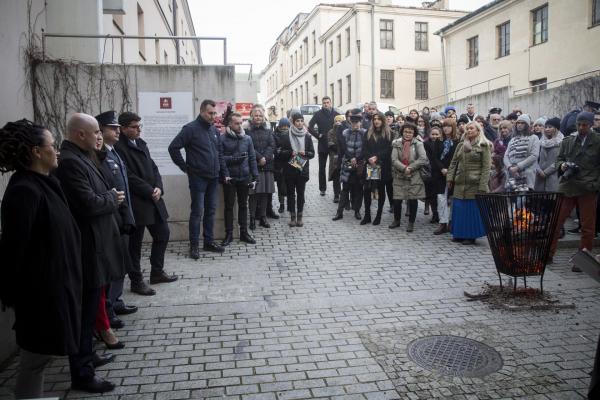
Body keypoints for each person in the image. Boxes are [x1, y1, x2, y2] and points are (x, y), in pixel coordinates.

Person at [0, 120, 82, 399]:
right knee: (34, 360)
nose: (57, 151)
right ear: (36, 151)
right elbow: (15, 250)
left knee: (40, 358)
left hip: (58, 287)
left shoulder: (46, 183)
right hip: (42, 295)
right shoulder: (24, 190)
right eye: (52, 145)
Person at [55, 113, 125, 393]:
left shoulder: (84, 157)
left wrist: (108, 196)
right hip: (87, 250)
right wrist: (112, 198)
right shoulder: (71, 163)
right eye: (95, 131)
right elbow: (88, 202)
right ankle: (82, 372)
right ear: (80, 134)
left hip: (96, 247)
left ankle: (89, 356)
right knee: (84, 315)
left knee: (91, 306)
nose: (100, 136)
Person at [118, 112, 178, 290]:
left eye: (139, 126)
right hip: (138, 202)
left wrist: (159, 187)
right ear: (123, 129)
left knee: (163, 233)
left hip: (154, 199)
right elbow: (127, 176)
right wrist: (149, 190)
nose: (138, 130)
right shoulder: (119, 148)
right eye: (134, 127)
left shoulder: (141, 143)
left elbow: (153, 167)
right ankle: (136, 281)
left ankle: (157, 272)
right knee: (134, 244)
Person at [95, 111, 138, 330]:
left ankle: (117, 300)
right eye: (113, 128)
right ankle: (109, 308)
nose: (118, 131)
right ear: (100, 130)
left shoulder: (113, 152)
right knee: (114, 266)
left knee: (121, 263)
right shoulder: (99, 155)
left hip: (123, 215)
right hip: (114, 217)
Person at [168, 100, 225, 259]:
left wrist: (221, 171)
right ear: (201, 112)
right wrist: (185, 168)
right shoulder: (190, 129)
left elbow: (219, 153)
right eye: (210, 113)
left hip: (213, 178)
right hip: (198, 178)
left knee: (211, 211)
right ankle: (194, 245)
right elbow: (173, 148)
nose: (213, 116)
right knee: (197, 212)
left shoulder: (214, 130)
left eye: (215, 113)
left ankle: (208, 241)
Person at [549, 112, 600, 267]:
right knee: (556, 222)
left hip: (588, 187)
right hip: (568, 185)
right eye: (579, 124)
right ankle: (548, 255)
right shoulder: (568, 141)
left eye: (585, 125)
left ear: (591, 125)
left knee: (588, 227)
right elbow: (559, 159)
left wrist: (596, 184)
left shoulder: (598, 141)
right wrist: (562, 166)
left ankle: (582, 261)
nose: (581, 127)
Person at [446, 121, 491, 245]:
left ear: (478, 131)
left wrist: (483, 185)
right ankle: (459, 234)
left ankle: (470, 236)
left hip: (475, 183)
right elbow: (453, 162)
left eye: (472, 128)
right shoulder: (460, 145)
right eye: (467, 128)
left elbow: (486, 167)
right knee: (459, 209)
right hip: (460, 182)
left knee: (471, 211)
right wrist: (450, 178)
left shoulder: (484, 145)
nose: (469, 130)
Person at [219, 111, 258, 246]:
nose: (239, 125)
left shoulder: (247, 138)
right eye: (236, 123)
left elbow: (252, 158)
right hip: (230, 178)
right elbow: (220, 159)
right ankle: (229, 234)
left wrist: (255, 177)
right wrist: (230, 165)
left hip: (244, 177)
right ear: (230, 123)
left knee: (243, 205)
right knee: (229, 207)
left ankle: (244, 233)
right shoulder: (222, 138)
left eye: (241, 123)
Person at [277, 113, 315, 227]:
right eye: (297, 121)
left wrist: (306, 153)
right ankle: (292, 217)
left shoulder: (307, 136)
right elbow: (279, 153)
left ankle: (300, 217)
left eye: (301, 120)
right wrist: (289, 152)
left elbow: (312, 153)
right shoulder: (285, 136)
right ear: (293, 122)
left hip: (302, 169)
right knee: (290, 194)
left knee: (301, 193)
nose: (299, 123)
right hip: (289, 169)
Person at [389, 122, 427, 232]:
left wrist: (410, 168)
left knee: (413, 200)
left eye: (410, 132)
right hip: (399, 175)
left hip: (414, 175)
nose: (407, 134)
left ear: (414, 133)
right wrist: (404, 168)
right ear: (402, 132)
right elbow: (394, 159)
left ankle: (411, 222)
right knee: (397, 200)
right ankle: (396, 220)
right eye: (405, 131)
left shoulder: (418, 144)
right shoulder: (397, 144)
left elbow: (423, 158)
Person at [246, 104, 276, 229]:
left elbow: (272, 145)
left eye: (260, 116)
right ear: (252, 117)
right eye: (255, 115)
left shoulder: (269, 131)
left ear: (263, 117)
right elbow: (249, 147)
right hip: (254, 167)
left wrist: (266, 158)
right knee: (253, 194)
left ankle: (263, 217)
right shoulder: (247, 132)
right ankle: (252, 218)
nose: (258, 117)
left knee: (264, 193)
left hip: (267, 166)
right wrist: (259, 158)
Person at [333, 108, 366, 221]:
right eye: (353, 122)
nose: (355, 124)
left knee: (358, 188)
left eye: (357, 122)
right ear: (350, 123)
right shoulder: (345, 133)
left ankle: (357, 211)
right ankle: (339, 212)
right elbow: (343, 148)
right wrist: (351, 158)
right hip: (347, 161)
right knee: (345, 188)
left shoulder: (365, 134)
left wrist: (357, 159)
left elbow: (365, 149)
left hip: (360, 163)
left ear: (360, 123)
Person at [362, 112, 393, 226]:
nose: (376, 121)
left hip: (383, 165)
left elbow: (389, 149)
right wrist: (369, 158)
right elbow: (364, 148)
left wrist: (377, 157)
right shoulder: (368, 132)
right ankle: (367, 215)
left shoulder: (389, 133)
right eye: (375, 119)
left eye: (379, 119)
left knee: (381, 190)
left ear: (383, 120)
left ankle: (379, 215)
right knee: (367, 189)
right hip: (371, 166)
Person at [308, 96, 339, 196]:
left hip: (333, 145)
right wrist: (318, 136)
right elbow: (310, 127)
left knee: (335, 168)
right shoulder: (318, 114)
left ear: (331, 103)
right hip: (322, 145)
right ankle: (322, 189)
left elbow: (342, 127)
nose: (326, 104)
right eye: (324, 103)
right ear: (322, 104)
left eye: (327, 102)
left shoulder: (336, 114)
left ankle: (336, 192)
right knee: (322, 168)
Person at [433, 119, 460, 235]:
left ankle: (451, 222)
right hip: (440, 173)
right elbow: (435, 157)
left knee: (453, 198)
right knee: (441, 198)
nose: (446, 128)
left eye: (448, 126)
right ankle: (442, 222)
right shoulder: (439, 141)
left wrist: (450, 170)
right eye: (444, 126)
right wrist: (442, 168)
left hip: (453, 172)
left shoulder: (458, 141)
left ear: (453, 127)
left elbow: (458, 158)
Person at [503, 114, 540, 190]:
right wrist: (510, 167)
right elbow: (506, 156)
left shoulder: (534, 138)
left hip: (526, 175)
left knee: (525, 200)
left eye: (522, 123)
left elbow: (534, 156)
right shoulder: (513, 139)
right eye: (518, 123)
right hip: (512, 175)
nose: (519, 125)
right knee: (512, 200)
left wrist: (518, 167)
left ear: (527, 125)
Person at [534, 117, 563, 192]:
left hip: (553, 177)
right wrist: (538, 170)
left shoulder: (562, 142)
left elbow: (560, 160)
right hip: (539, 176)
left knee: (552, 200)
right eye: (546, 127)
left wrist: (546, 172)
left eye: (550, 127)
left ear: (556, 128)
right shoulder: (540, 142)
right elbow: (535, 157)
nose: (547, 129)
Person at [424, 126, 443, 224]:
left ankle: (440, 214)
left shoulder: (443, 143)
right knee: (431, 195)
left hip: (440, 172)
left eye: (437, 134)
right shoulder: (426, 143)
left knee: (439, 195)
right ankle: (434, 213)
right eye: (433, 134)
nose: (434, 136)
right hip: (430, 171)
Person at [327, 114, 346, 203]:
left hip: (344, 157)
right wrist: (339, 148)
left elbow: (345, 144)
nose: (338, 123)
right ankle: (336, 195)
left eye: (340, 121)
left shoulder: (345, 131)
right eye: (336, 121)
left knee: (345, 176)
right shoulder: (331, 132)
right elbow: (331, 144)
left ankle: (345, 195)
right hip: (334, 157)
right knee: (336, 176)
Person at [273, 118, 290, 213]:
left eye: (286, 126)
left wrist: (282, 151)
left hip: (291, 164)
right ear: (279, 126)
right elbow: (275, 150)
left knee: (290, 185)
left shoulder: (292, 134)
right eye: (283, 126)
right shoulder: (275, 135)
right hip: (279, 165)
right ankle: (282, 204)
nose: (284, 128)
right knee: (280, 186)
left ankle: (290, 203)